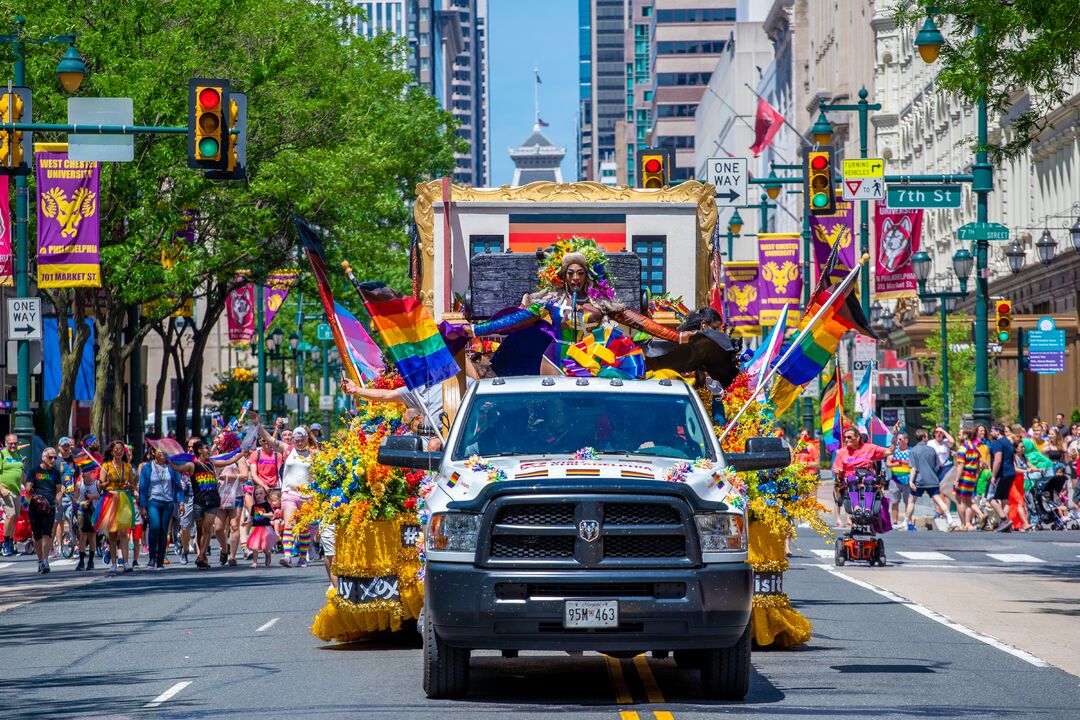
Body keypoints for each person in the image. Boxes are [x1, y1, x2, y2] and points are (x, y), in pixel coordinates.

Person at [252, 414, 316, 568]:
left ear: (307, 438)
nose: (298, 441)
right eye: (296, 438)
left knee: (304, 528)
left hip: (307, 496)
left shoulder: (314, 454)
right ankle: (287, 557)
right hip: (289, 494)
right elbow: (268, 438)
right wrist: (257, 424)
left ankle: (302, 558)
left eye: (301, 438)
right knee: (289, 525)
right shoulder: (287, 450)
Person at [168, 439, 241, 570]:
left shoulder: (212, 463)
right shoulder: (192, 465)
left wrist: (242, 453)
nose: (209, 450)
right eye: (206, 448)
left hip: (213, 501)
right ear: (200, 450)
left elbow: (228, 460)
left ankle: (201, 555)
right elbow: (177, 468)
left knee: (208, 527)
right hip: (198, 501)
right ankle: (204, 558)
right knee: (200, 529)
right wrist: (168, 460)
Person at [831, 425, 895, 528]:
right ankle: (857, 509)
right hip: (850, 479)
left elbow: (890, 451)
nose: (846, 440)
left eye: (849, 437)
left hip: (867, 477)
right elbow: (836, 469)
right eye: (845, 437)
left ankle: (868, 510)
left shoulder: (869, 448)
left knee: (870, 480)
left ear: (858, 437)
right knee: (852, 479)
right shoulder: (842, 452)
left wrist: (895, 435)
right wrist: (838, 471)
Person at [95, 441, 137, 573]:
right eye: (116, 449)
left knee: (124, 532)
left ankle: (125, 562)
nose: (119, 451)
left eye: (121, 449)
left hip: (124, 498)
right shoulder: (106, 466)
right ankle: (113, 563)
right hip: (110, 498)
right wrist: (108, 482)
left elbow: (132, 485)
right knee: (112, 533)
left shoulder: (127, 466)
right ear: (112, 452)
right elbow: (100, 485)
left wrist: (130, 485)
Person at [138, 447, 182, 570]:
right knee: (154, 527)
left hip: (168, 503)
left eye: (164, 451)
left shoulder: (171, 467)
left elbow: (178, 485)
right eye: (160, 451)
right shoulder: (147, 468)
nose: (163, 453)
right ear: (154, 453)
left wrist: (181, 501)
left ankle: (160, 560)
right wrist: (143, 506)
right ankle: (152, 557)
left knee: (164, 531)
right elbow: (142, 488)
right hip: (153, 501)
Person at [25, 448, 62, 573]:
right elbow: (28, 488)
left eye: (55, 458)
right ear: (43, 458)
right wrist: (30, 489)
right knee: (37, 536)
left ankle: (45, 560)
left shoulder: (56, 473)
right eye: (50, 457)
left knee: (47, 533)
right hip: (35, 507)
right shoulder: (34, 471)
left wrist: (57, 499)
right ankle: (40, 560)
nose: (53, 460)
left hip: (49, 507)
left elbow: (59, 489)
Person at [213, 431, 247, 567]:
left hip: (236, 495)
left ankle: (232, 556)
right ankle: (224, 548)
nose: (217, 441)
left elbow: (245, 476)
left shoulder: (238, 457)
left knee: (234, 525)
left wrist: (228, 477)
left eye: (220, 439)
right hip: (221, 496)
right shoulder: (217, 457)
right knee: (219, 528)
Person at [907, 429, 951, 528]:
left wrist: (911, 480)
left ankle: (906, 522)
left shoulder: (913, 450)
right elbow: (936, 465)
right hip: (932, 479)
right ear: (923, 438)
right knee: (939, 500)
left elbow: (913, 467)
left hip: (919, 480)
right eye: (926, 436)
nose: (928, 437)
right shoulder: (932, 450)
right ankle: (949, 519)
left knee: (911, 501)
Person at [52, 437, 80, 557]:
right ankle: (54, 547)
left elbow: (78, 475)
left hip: (71, 495)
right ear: (59, 447)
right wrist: (58, 488)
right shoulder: (55, 460)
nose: (66, 449)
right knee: (56, 521)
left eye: (68, 446)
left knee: (72, 520)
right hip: (59, 495)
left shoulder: (73, 460)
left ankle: (75, 545)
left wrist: (77, 490)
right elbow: (51, 477)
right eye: (64, 446)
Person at [988, 423, 1017, 532]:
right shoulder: (1008, 442)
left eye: (992, 431)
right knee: (1004, 498)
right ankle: (1005, 525)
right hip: (1010, 473)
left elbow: (998, 459)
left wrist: (993, 476)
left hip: (1002, 473)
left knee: (990, 497)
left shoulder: (997, 443)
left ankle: (1004, 519)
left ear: (997, 431)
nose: (991, 433)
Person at [0, 433, 25, 557]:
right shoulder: (2, 455)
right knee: (11, 515)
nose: (13, 445)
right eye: (11, 443)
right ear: (6, 443)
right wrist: (1, 488)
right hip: (5, 490)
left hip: (17, 491)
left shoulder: (18, 456)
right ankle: (5, 544)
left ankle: (10, 542)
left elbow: (21, 473)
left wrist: (28, 487)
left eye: (15, 443)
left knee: (16, 517)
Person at [954, 428, 982, 531]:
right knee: (968, 499)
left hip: (964, 476)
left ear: (965, 435)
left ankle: (963, 524)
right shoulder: (975, 448)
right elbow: (980, 463)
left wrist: (956, 479)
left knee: (959, 500)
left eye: (960, 434)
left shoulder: (963, 448)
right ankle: (981, 515)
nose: (958, 436)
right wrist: (976, 475)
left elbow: (960, 465)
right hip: (972, 476)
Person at [75, 460, 100, 571]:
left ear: (92, 472)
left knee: (92, 535)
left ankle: (91, 560)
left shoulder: (97, 484)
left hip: (93, 512)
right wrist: (81, 503)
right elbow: (75, 499)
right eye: (82, 471)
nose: (84, 473)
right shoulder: (79, 484)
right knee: (83, 535)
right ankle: (81, 561)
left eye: (86, 471)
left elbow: (101, 498)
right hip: (82, 512)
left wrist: (92, 497)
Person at [244, 484, 277, 569]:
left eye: (261, 493)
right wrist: (247, 522)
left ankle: (268, 555)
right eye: (257, 494)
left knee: (264, 547)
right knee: (255, 546)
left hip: (265, 528)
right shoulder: (254, 506)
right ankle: (255, 562)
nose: (259, 496)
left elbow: (271, 514)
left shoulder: (266, 505)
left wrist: (264, 514)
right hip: (255, 528)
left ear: (265, 494)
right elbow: (251, 516)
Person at [886, 431, 912, 528]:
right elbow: (888, 463)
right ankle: (894, 522)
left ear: (906, 440)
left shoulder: (911, 451)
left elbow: (912, 463)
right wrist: (897, 463)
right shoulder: (894, 451)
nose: (898, 441)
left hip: (907, 479)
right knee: (894, 501)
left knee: (908, 502)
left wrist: (902, 462)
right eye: (898, 439)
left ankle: (908, 521)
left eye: (900, 439)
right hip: (895, 480)